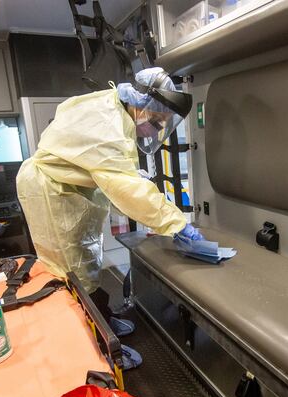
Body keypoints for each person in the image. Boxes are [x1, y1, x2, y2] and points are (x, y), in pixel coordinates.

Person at [17, 67, 204, 292]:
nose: (155, 132)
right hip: (52, 191)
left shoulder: (113, 106)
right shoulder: (110, 126)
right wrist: (177, 224)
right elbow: (129, 191)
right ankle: (86, 320)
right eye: (156, 123)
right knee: (70, 268)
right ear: (142, 107)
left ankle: (93, 310)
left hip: (63, 185)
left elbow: (112, 170)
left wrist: (130, 178)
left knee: (81, 256)